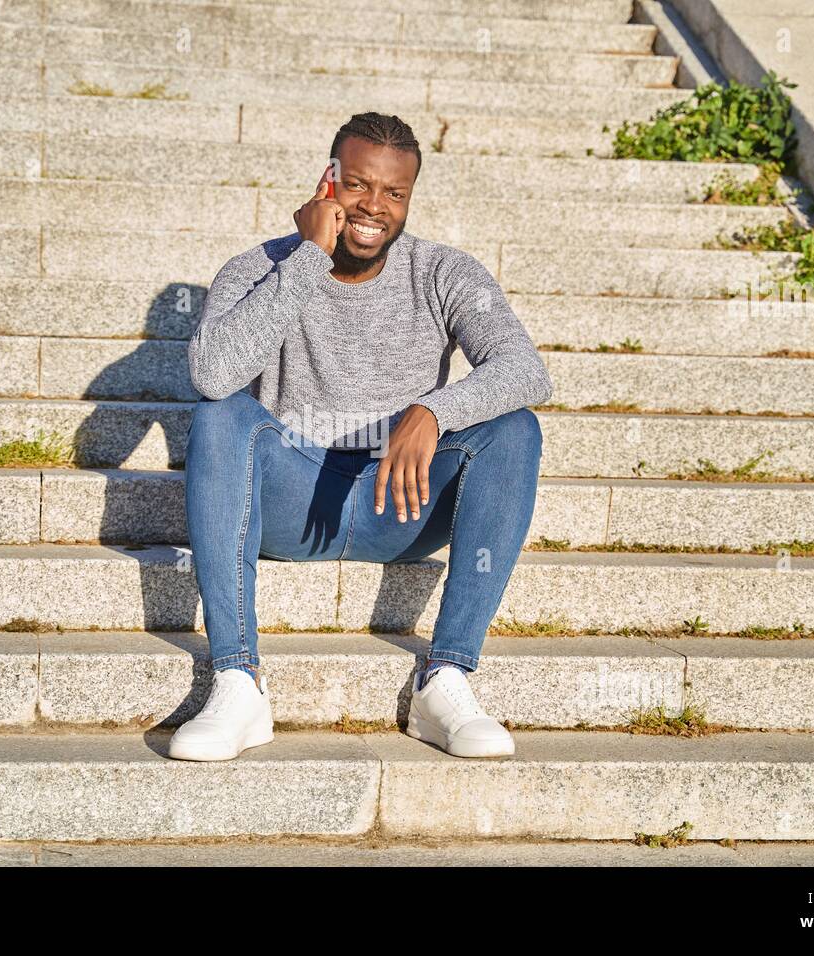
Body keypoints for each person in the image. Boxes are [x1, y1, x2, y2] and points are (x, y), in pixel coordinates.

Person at [170, 111, 553, 761]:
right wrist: (308, 258)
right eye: (357, 185)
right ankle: (238, 682)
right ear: (328, 182)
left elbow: (526, 370)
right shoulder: (258, 268)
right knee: (219, 414)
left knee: (514, 430)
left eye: (394, 193)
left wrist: (432, 412)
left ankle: (447, 678)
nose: (375, 206)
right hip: (290, 501)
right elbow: (212, 374)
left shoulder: (444, 272)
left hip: (398, 504)